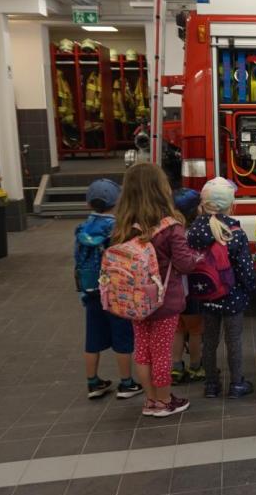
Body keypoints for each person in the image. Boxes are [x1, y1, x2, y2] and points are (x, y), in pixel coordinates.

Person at [112, 163, 198, 417]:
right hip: (163, 300)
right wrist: (197, 259)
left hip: (133, 300)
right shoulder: (170, 226)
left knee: (143, 350)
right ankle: (163, 401)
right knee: (161, 351)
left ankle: (150, 400)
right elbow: (184, 263)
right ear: (161, 189)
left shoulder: (124, 225)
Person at [188, 177, 256, 398]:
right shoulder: (234, 232)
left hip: (205, 293)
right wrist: (250, 289)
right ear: (230, 204)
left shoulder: (194, 231)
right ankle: (237, 384)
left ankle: (211, 384)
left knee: (209, 339)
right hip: (232, 295)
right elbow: (245, 269)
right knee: (233, 340)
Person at [73, 179, 142, 400]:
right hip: (115, 291)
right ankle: (126, 382)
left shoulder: (82, 229)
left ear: (88, 204)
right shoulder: (119, 228)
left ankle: (93, 382)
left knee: (92, 336)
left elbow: (77, 258)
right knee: (122, 336)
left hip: (91, 289)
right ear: (118, 202)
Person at [171, 188, 205, 384]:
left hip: (174, 291)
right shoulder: (196, 234)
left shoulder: (172, 231)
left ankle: (175, 367)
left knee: (177, 329)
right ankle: (195, 366)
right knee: (195, 330)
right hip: (192, 289)